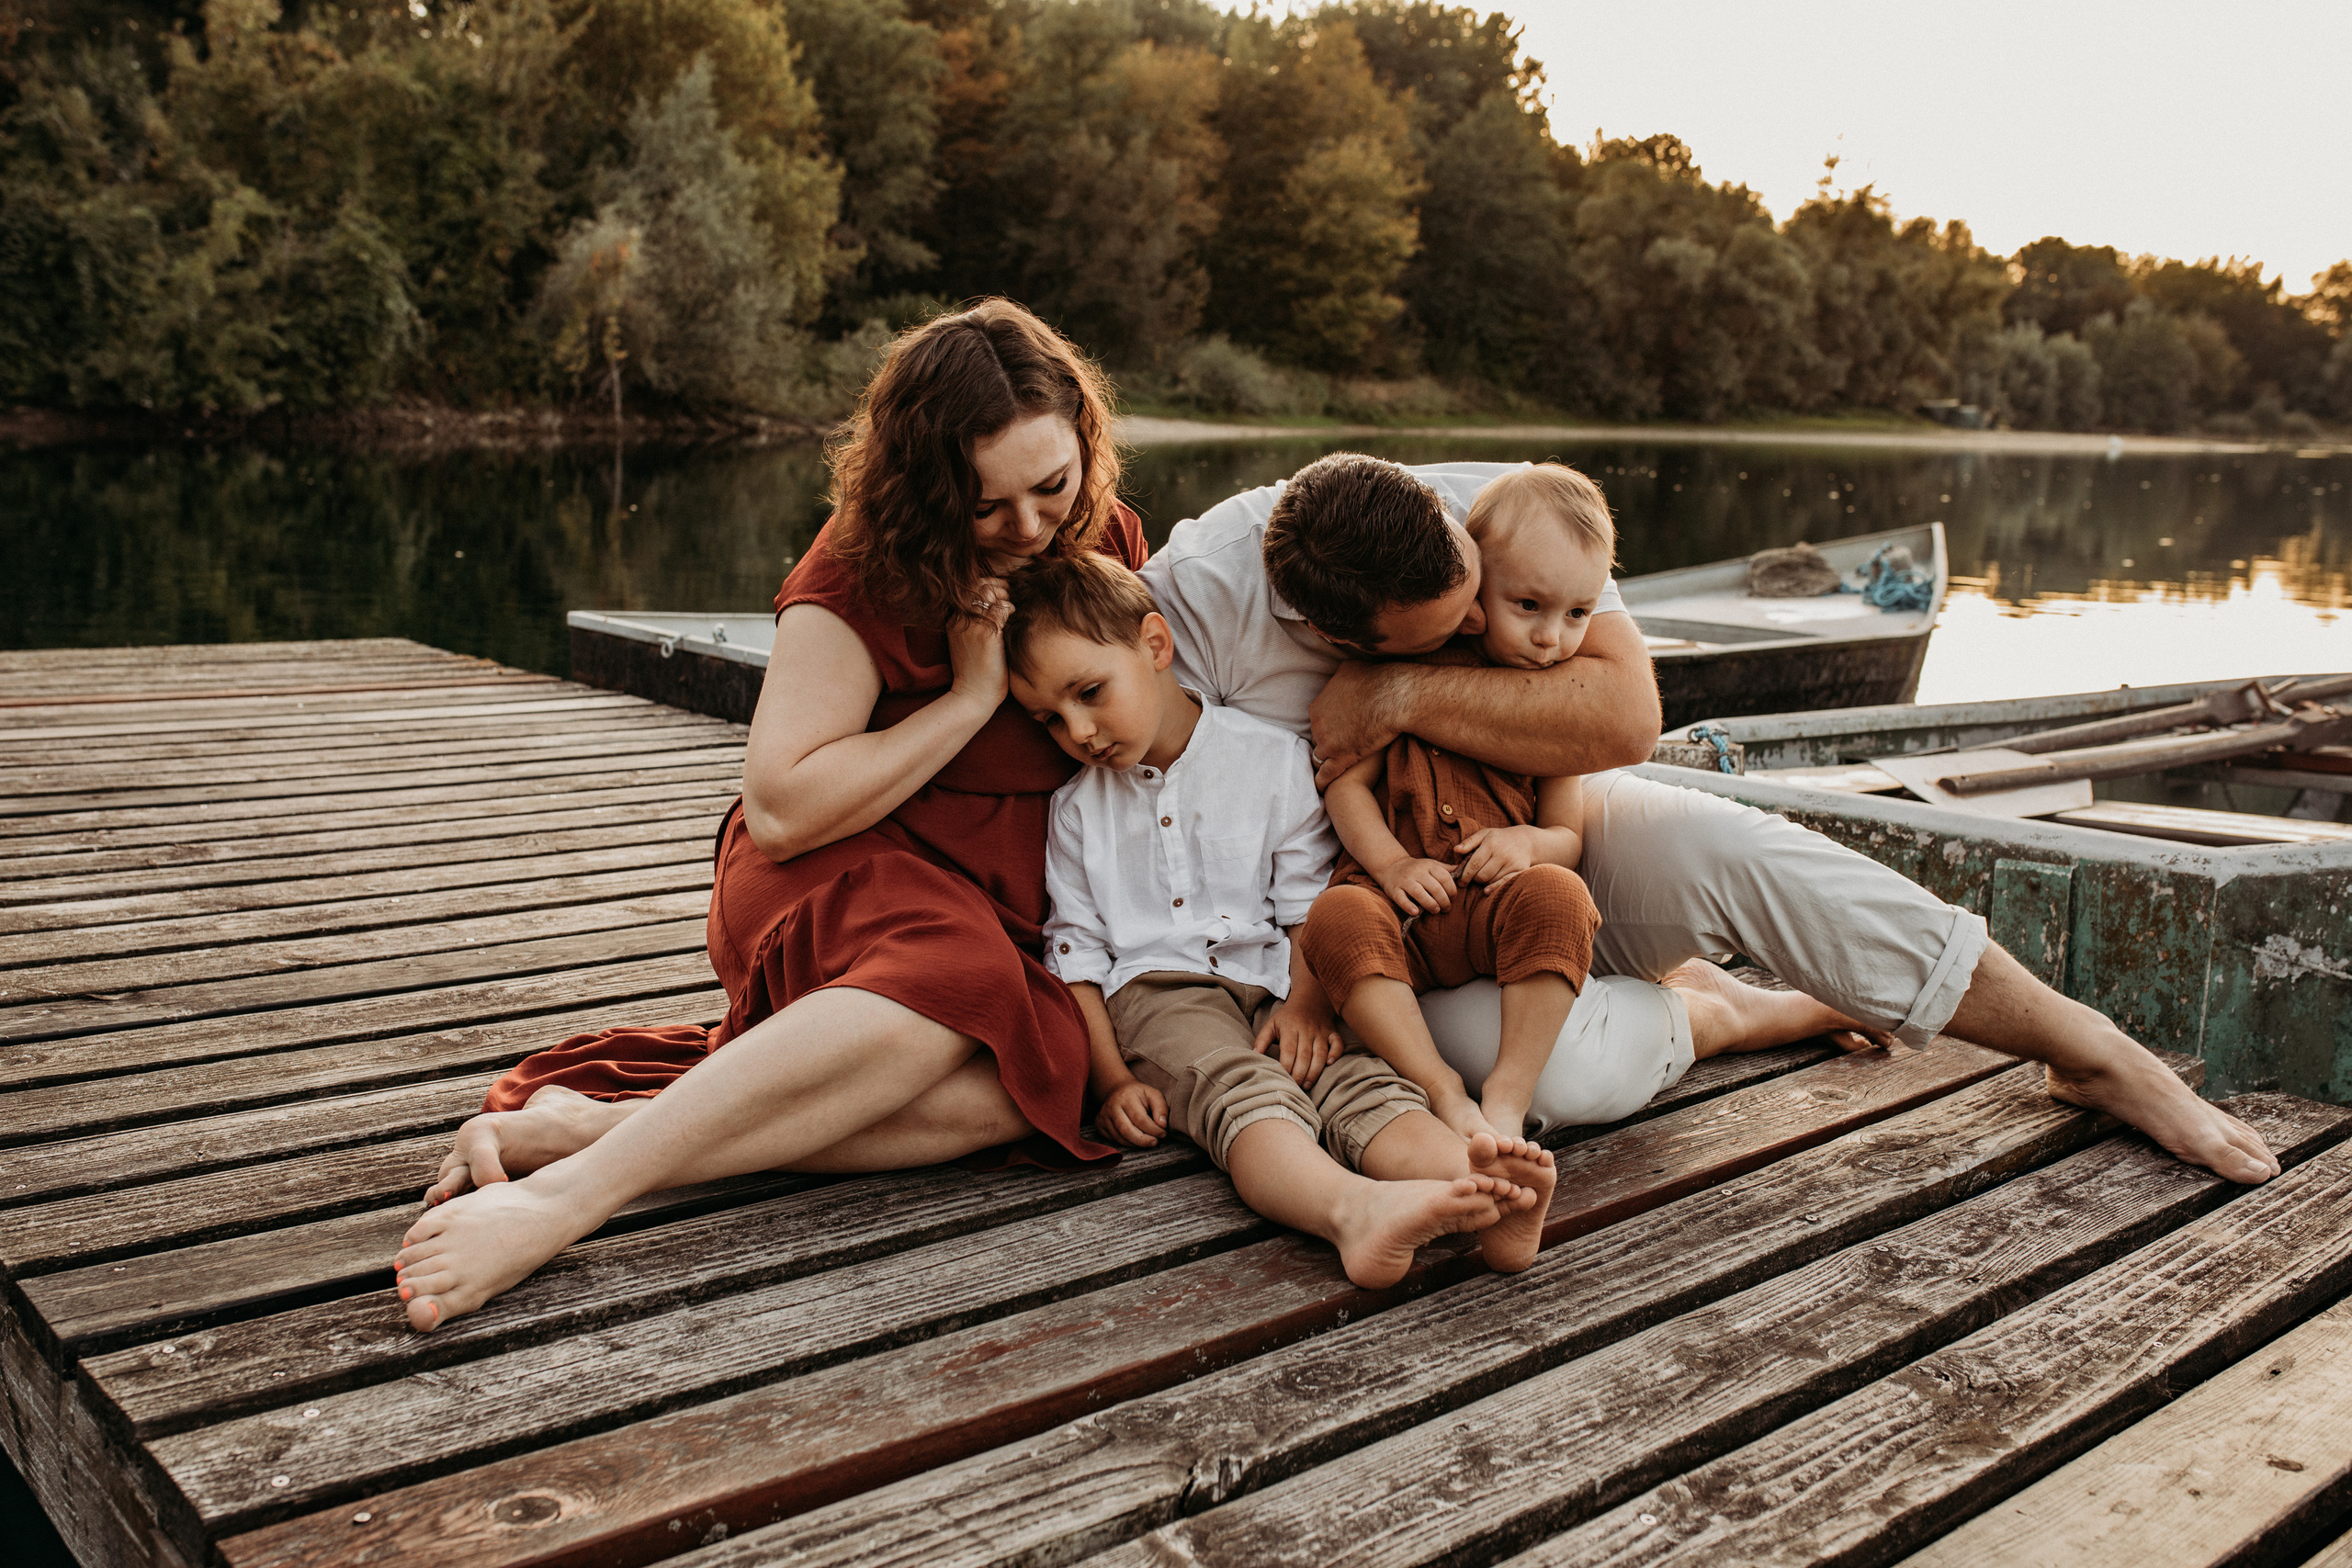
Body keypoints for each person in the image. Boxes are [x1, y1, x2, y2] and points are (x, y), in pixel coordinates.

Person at [1139, 453, 2282, 1184]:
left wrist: (1398, 694)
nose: (1488, 630)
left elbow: (1625, 713)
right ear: (1337, 629)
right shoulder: (1207, 598)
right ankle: (1731, 1011)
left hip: (1535, 830)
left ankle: (2088, 1048)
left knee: (1726, 846)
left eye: (1472, 611)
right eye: (1429, 638)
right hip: (1379, 910)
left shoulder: (1491, 510)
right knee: (1565, 1082)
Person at [396, 301, 1148, 1332]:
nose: (1030, 529)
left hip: (998, 903)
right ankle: (568, 1201)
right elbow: (785, 809)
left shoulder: (1097, 540)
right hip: (840, 868)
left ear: (1085, 442)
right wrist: (966, 700)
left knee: (1038, 1085)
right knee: (961, 982)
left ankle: (596, 1130)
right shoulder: (858, 571)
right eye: (987, 506)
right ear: (927, 491)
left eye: (1051, 486)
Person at [1003, 552, 1557, 1283]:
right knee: (1240, 1089)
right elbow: (1076, 953)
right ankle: (1351, 1212)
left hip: (1278, 979)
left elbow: (1308, 906)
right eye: (1049, 718)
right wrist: (1109, 1081)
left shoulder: (1268, 760)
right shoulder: (1076, 811)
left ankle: (1486, 1186)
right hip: (1160, 994)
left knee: (1356, 1078)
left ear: (1155, 646)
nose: (1078, 730)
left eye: (1089, 692)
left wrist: (1305, 1006)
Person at [1298, 465, 1610, 1143]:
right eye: (1527, 605)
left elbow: (1566, 833)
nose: (1551, 638)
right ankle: (1441, 1088)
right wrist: (1389, 866)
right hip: (1400, 912)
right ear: (1480, 587)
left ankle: (1508, 1090)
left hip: (1489, 907)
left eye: (1578, 614)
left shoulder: (1556, 709)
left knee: (1559, 894)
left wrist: (1529, 844)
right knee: (1335, 916)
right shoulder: (1400, 672)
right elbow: (1346, 785)